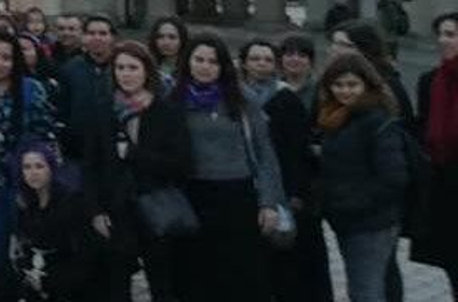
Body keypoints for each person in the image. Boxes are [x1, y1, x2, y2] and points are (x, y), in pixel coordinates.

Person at [169, 34, 286, 302]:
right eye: (199, 59)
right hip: (192, 195)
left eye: (213, 61)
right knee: (196, 276)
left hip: (236, 196)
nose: (205, 66)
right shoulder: (173, 98)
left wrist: (269, 202)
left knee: (239, 276)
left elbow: (264, 152)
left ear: (223, 66)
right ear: (188, 62)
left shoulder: (242, 98)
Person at [83, 40, 190, 301]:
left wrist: (134, 154)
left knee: (162, 284)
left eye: (133, 67)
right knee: (116, 284)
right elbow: (91, 165)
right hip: (116, 209)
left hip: (156, 206)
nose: (126, 73)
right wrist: (95, 210)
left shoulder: (167, 111)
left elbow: (180, 164)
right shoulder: (103, 110)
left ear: (146, 71)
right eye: (120, 67)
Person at [242, 38, 331, 302]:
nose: (261, 64)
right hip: (248, 190)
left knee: (296, 268)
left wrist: (295, 193)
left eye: (267, 59)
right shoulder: (235, 96)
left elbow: (298, 152)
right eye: (255, 58)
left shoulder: (285, 98)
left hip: (288, 193)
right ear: (244, 63)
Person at [316, 52, 411, 302]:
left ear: (367, 84)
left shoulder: (377, 120)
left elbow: (394, 178)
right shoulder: (336, 117)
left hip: (371, 223)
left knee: (365, 292)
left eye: (352, 85)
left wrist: (350, 204)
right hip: (350, 220)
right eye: (338, 85)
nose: (345, 91)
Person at [0, 31, 56, 282]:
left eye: (6, 57)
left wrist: (42, 184)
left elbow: (44, 136)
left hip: (24, 181)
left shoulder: (32, 89)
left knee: (27, 245)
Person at [0, 142, 101, 302]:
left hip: (67, 275)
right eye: (27, 167)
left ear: (51, 169)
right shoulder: (27, 204)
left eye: (39, 166)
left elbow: (84, 256)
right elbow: (25, 247)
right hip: (36, 272)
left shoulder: (70, 202)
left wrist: (47, 281)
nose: (33, 173)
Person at [414, 12, 458, 294]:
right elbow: (422, 131)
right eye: (440, 34)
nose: (442, 40)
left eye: (451, 34)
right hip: (446, 189)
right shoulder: (430, 81)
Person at [55, 15, 115, 162]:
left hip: (114, 149)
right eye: (91, 33)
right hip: (79, 152)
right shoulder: (69, 69)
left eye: (103, 33)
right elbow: (63, 110)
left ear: (112, 37)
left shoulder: (122, 67)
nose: (97, 38)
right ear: (83, 37)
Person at [332, 21, 415, 122]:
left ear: (365, 49)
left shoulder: (387, 84)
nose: (335, 49)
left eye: (344, 45)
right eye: (334, 43)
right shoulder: (331, 78)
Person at [279, 34, 321, 116]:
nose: (295, 59)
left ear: (311, 61)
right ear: (281, 59)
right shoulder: (272, 88)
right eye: (289, 55)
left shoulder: (319, 90)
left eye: (302, 56)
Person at [147, 17, 187, 87]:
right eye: (160, 37)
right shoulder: (148, 66)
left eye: (172, 37)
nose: (166, 42)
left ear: (182, 40)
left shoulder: (190, 67)